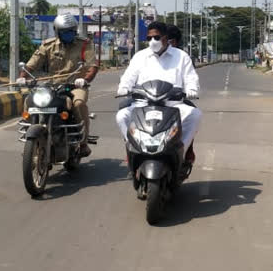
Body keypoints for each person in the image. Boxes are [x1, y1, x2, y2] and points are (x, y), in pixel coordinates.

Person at [116, 21, 201, 163]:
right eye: (149, 38)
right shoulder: (140, 56)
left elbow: (190, 77)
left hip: (173, 104)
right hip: (143, 104)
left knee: (195, 115)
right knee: (122, 116)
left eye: (156, 37)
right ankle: (133, 149)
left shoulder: (181, 56)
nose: (152, 41)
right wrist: (124, 87)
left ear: (166, 37)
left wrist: (192, 89)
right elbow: (128, 76)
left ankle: (181, 152)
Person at [17, 14, 98, 157]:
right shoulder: (48, 45)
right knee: (29, 100)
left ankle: (83, 142)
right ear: (57, 31)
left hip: (75, 85)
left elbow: (93, 66)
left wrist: (85, 80)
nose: (69, 34)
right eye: (65, 32)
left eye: (71, 31)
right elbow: (31, 64)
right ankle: (30, 137)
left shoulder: (85, 44)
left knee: (78, 103)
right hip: (52, 85)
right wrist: (22, 77)